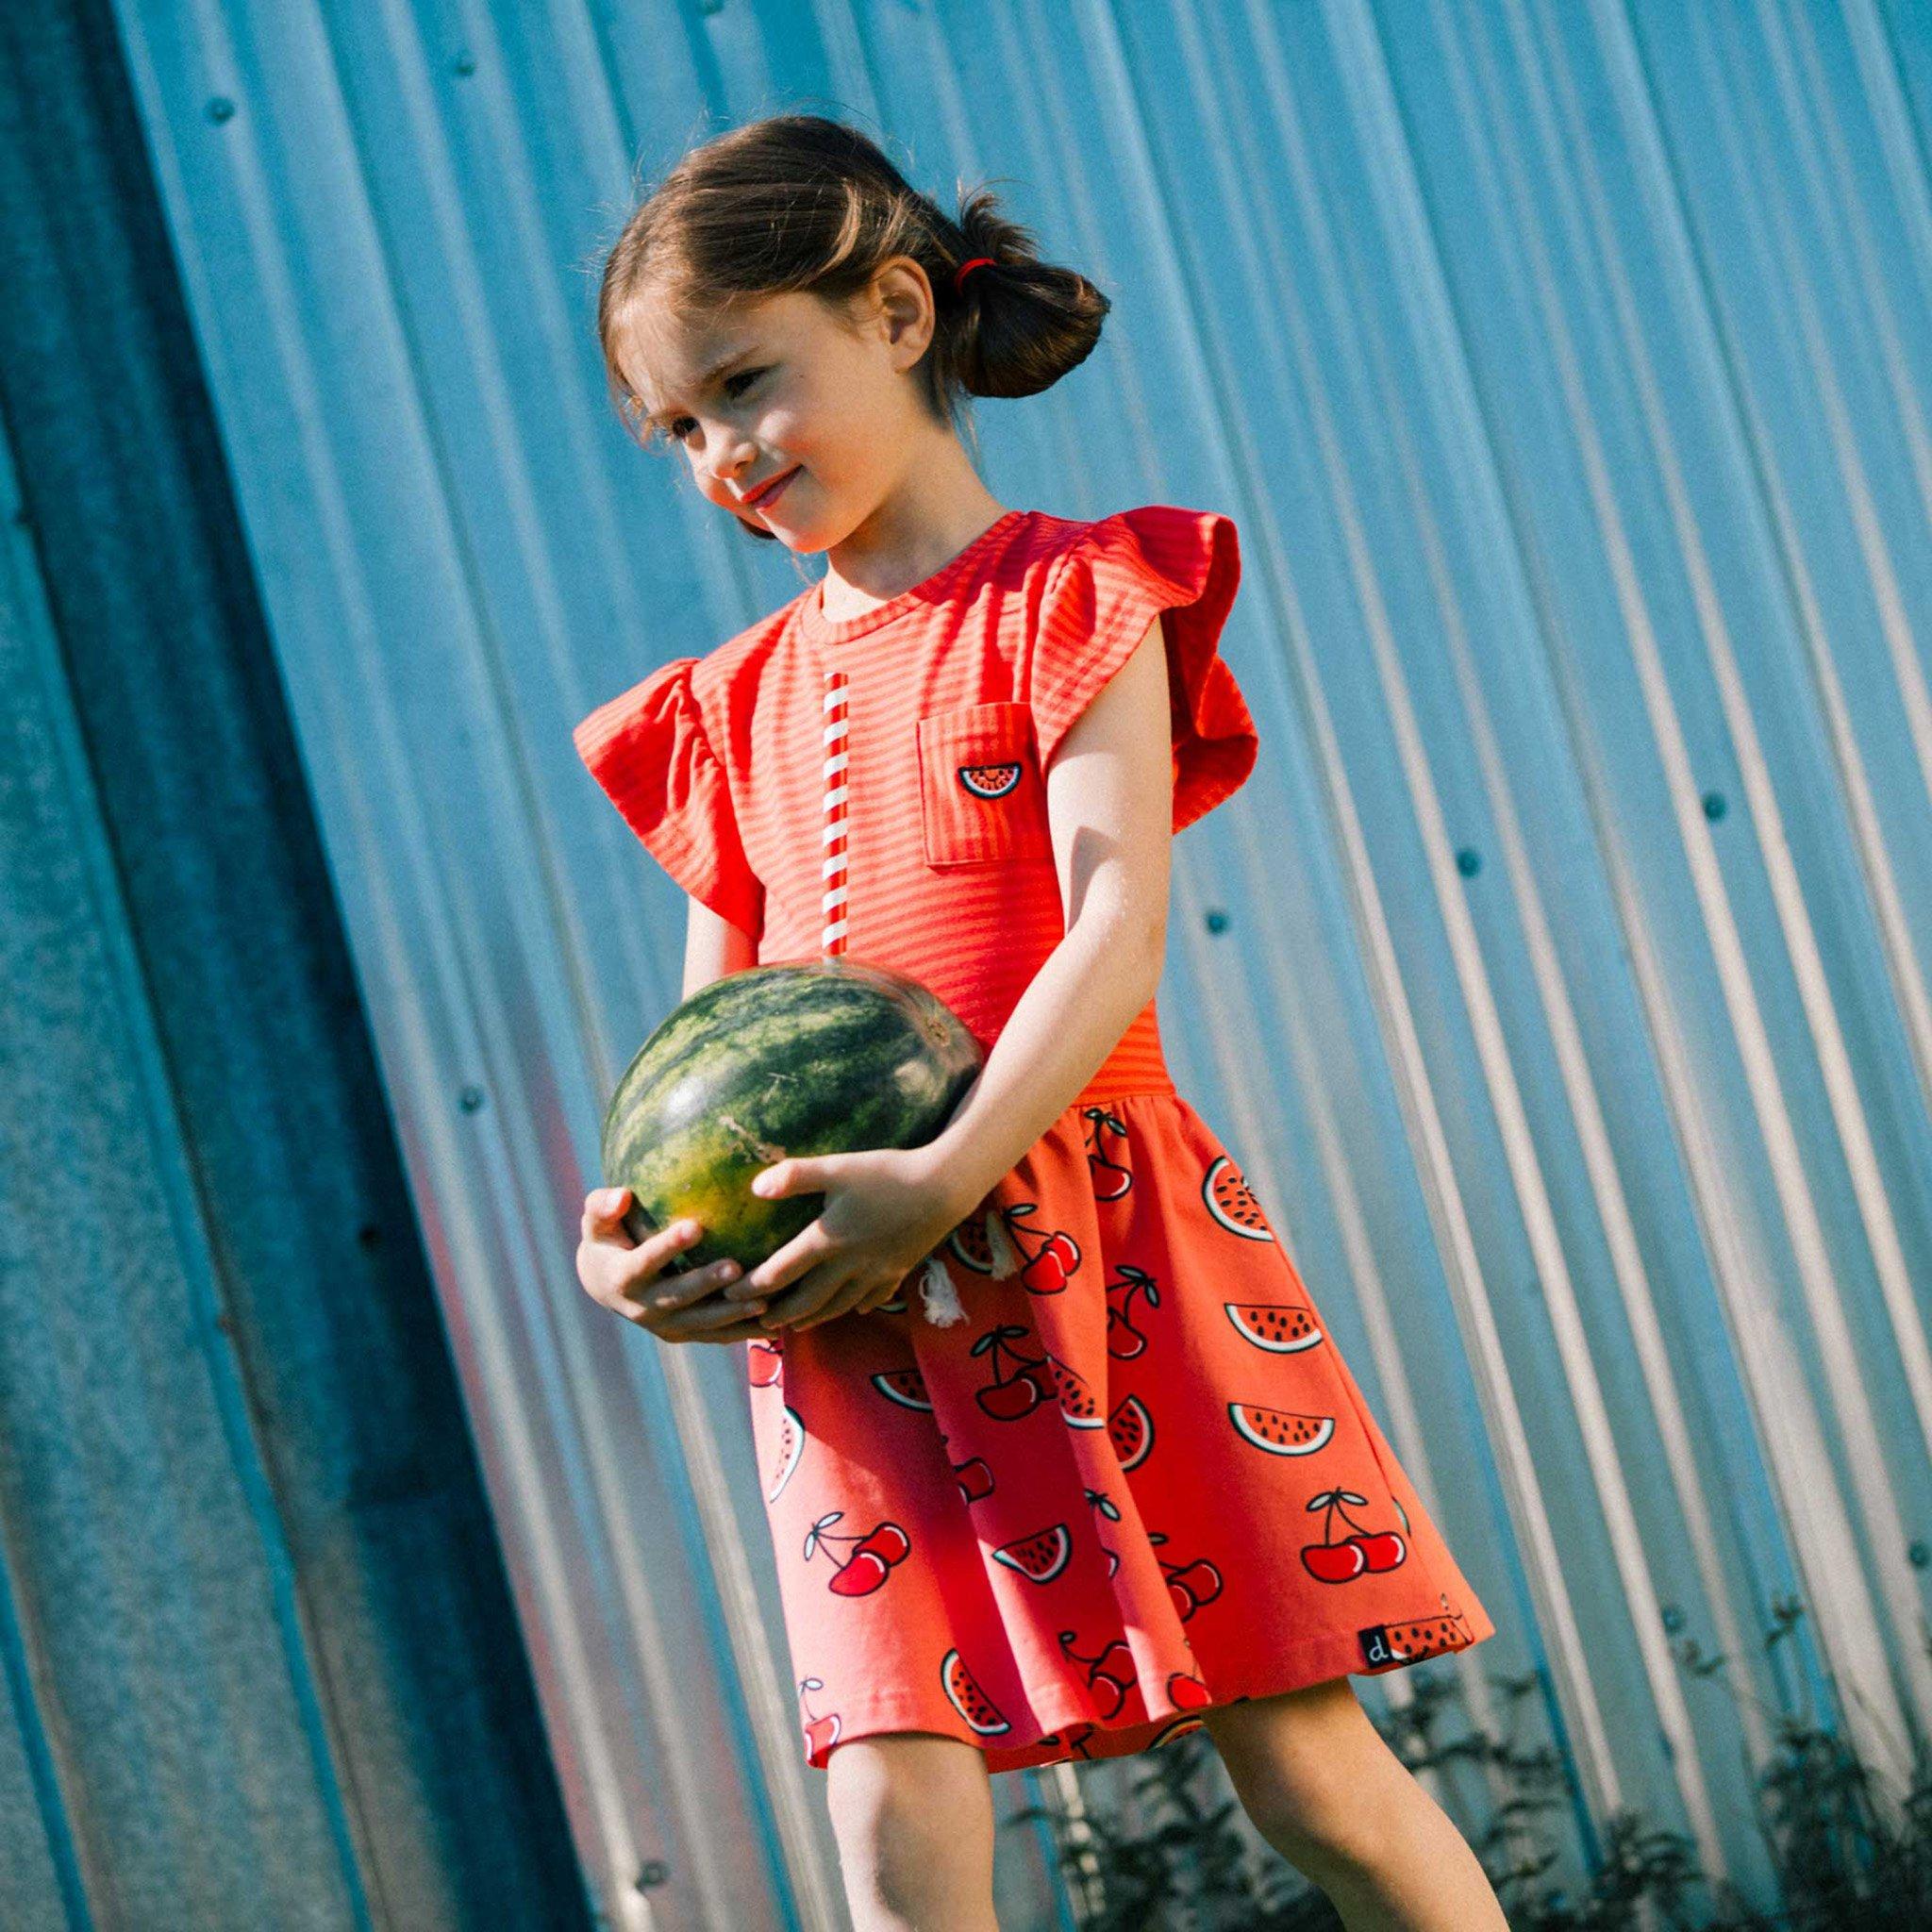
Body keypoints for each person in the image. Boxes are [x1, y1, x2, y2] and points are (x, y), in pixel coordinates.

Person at [571, 112, 1505, 1932]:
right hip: (847, 1304)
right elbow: (702, 1054)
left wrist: (945, 1171)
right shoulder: (730, 707)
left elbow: (1114, 924)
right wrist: (637, 1253)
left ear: (903, 313)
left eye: (746, 385)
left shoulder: (1075, 598)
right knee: (888, 1810)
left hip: (1097, 1235)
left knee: (1305, 1768)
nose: (720, 457)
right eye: (679, 429)